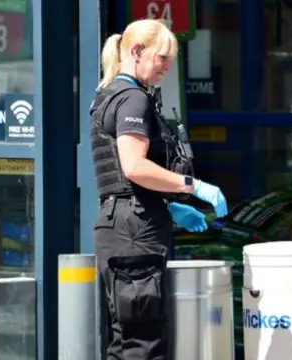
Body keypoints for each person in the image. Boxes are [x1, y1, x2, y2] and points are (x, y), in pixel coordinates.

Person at [89, 19, 228, 360]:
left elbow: (125, 179)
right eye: (162, 57)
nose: (168, 66)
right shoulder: (133, 100)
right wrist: (193, 186)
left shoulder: (107, 96)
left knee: (127, 340)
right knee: (142, 345)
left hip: (123, 226)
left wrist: (168, 206)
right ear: (136, 52)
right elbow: (134, 167)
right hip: (134, 233)